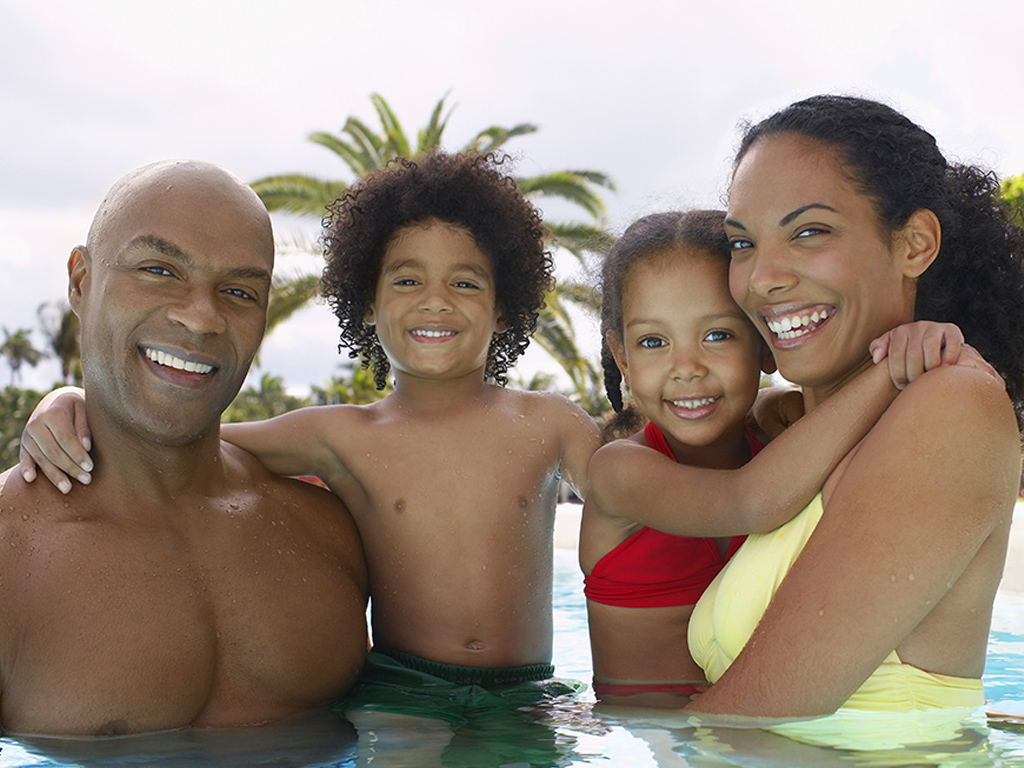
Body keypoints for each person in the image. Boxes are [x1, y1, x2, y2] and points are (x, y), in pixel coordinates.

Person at [21, 152, 602, 745]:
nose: (435, 300)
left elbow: (633, 490)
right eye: (407, 279)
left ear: (505, 307)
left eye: (465, 282)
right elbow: (186, 431)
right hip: (408, 689)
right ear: (367, 305)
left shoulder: (544, 424)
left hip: (529, 692)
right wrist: (74, 402)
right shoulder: (344, 437)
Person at [682, 95, 1024, 748]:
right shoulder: (792, 437)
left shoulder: (953, 404)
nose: (762, 279)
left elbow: (749, 713)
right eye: (742, 243)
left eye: (809, 232)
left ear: (915, 245)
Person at [0, 160, 368, 737]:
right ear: (80, 281)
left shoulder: (330, 529)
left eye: (239, 290)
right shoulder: (10, 553)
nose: (201, 317)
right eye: (158, 269)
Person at [581, 209, 978, 709]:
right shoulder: (619, 472)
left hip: (752, 733)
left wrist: (923, 345)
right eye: (653, 342)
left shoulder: (780, 434)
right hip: (639, 740)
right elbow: (750, 500)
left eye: (718, 335)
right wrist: (890, 371)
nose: (686, 369)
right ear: (622, 358)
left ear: (766, 345)